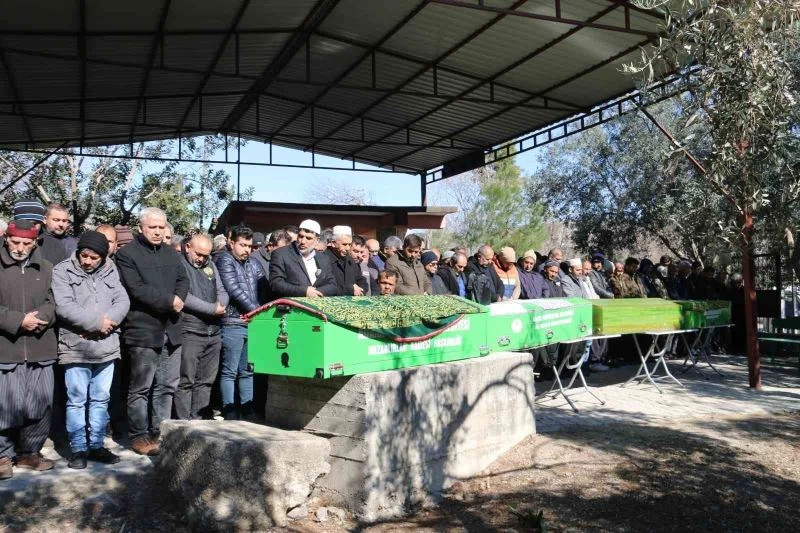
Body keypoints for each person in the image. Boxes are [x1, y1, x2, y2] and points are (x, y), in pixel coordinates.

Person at [52, 231, 130, 469]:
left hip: (106, 346)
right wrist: (96, 323)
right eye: (84, 255)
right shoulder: (62, 270)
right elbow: (64, 306)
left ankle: (96, 445)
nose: (87, 261)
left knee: (100, 398)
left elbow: (122, 300)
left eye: (93, 257)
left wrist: (109, 323)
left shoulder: (111, 269)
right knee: (76, 400)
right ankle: (78, 449)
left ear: (103, 257)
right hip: (76, 346)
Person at [116, 207, 188, 456]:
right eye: (152, 227)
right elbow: (137, 289)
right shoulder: (127, 255)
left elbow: (183, 279)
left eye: (161, 227)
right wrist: (171, 301)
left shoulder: (171, 252)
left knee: (167, 385)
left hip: (172, 328)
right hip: (143, 329)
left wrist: (179, 298)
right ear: (141, 228)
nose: (158, 232)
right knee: (141, 388)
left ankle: (161, 433)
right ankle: (138, 436)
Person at [0, 220, 58, 480]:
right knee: (5, 404)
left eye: (26, 243)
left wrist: (43, 316)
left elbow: (53, 301)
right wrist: (17, 320)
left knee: (41, 402)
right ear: (6, 239)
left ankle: (30, 451)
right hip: (6, 347)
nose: (20, 248)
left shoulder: (46, 268)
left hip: (40, 345)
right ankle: (2, 455)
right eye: (15, 242)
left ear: (35, 242)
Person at [215, 226, 267, 420]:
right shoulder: (225, 260)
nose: (246, 249)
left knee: (247, 370)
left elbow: (264, 288)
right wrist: (257, 310)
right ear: (231, 243)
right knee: (229, 370)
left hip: (252, 322)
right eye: (242, 245)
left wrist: (261, 311)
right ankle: (229, 408)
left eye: (249, 246)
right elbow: (234, 290)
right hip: (233, 321)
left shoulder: (254, 263)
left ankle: (247, 408)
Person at [175, 234, 228, 421]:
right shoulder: (179, 264)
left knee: (206, 381)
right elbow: (184, 296)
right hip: (191, 330)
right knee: (186, 381)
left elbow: (221, 289)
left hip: (213, 332)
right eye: (199, 254)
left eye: (206, 255)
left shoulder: (211, 265)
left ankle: (198, 423)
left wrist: (222, 303)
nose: (202, 259)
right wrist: (212, 309)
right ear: (187, 247)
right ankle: (182, 424)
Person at [269, 220, 338, 299]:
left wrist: (316, 293)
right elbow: (276, 284)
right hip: (292, 308)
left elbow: (332, 285)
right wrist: (304, 291)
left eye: (308, 238)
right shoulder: (281, 254)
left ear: (317, 240)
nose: (303, 241)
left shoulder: (323, 258)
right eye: (301, 236)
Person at [325, 226, 368, 296]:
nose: (348, 248)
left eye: (349, 244)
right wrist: (348, 289)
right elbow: (323, 288)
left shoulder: (350, 260)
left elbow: (361, 280)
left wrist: (360, 290)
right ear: (333, 243)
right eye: (344, 244)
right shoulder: (323, 260)